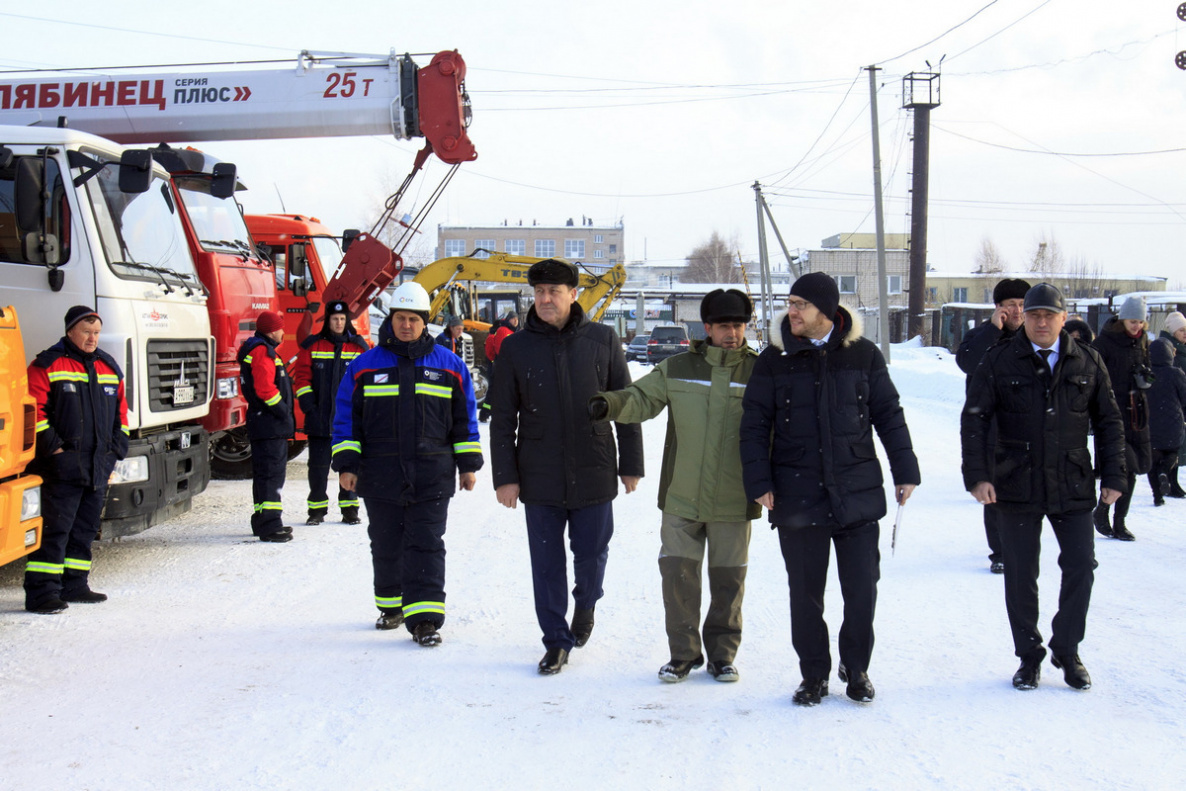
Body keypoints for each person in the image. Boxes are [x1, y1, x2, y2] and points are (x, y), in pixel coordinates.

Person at [739, 272, 920, 705]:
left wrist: (905, 469)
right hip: (797, 495)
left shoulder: (863, 356)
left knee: (862, 590)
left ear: (826, 309)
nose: (792, 311)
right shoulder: (774, 360)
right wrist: (759, 482)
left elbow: (888, 415)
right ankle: (814, 674)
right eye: (790, 303)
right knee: (805, 595)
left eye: (801, 303)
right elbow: (752, 426)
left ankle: (856, 668)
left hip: (856, 492)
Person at [961, 283, 1126, 691]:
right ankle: (1029, 655)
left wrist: (1116, 476)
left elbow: (1109, 422)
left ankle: (1067, 650)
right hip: (1015, 481)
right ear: (1024, 318)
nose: (1040, 321)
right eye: (1033, 314)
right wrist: (978, 476)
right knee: (1020, 574)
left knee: (1081, 567)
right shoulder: (1000, 359)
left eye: (1048, 315)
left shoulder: (1087, 361)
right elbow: (975, 419)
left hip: (1071, 481)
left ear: (1063, 317)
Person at [589, 289, 758, 684]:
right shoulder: (679, 367)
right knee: (678, 578)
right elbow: (641, 398)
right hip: (682, 496)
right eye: (723, 326)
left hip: (735, 498)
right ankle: (682, 655)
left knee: (728, 582)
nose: (732, 333)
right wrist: (608, 404)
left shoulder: (761, 372)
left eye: (738, 325)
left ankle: (722, 655)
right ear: (708, 328)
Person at [489, 258, 644, 675]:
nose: (545, 299)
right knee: (546, 563)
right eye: (539, 292)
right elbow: (503, 416)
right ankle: (556, 640)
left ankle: (587, 602)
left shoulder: (602, 340)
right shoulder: (515, 347)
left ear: (573, 295)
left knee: (592, 554)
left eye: (554, 292)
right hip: (538, 473)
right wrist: (505, 477)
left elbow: (626, 404)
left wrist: (631, 464)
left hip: (593, 466)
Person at [331, 282, 482, 644]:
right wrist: (347, 464)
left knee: (427, 542)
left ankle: (425, 619)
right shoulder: (364, 367)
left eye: (414, 319)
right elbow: (346, 419)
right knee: (385, 542)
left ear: (424, 321)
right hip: (379, 473)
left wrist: (468, 464)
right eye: (400, 318)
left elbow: (465, 419)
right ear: (392, 319)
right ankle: (391, 606)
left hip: (433, 473)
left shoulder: (450, 366)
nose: (406, 325)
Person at [23, 306, 129, 613]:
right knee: (54, 531)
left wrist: (115, 451)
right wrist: (55, 450)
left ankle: (75, 585)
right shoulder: (47, 364)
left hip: (97, 466)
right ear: (71, 331)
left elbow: (121, 414)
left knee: (83, 531)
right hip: (62, 467)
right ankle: (42, 594)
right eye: (86, 332)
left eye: (96, 333)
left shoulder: (108, 366)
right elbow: (33, 412)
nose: (92, 338)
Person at [955, 278, 1030, 574]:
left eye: (1023, 305)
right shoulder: (981, 336)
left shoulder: (1032, 337)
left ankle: (1021, 546)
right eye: (1011, 304)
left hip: (1024, 424)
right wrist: (992, 329)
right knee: (994, 491)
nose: (1017, 311)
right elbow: (968, 362)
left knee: (1025, 488)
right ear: (998, 307)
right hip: (990, 427)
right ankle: (999, 551)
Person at [293, 301, 370, 526]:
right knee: (317, 469)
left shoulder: (358, 348)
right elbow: (302, 379)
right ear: (327, 320)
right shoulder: (313, 346)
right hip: (320, 419)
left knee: (349, 467)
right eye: (335, 319)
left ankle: (350, 510)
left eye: (342, 319)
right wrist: (310, 408)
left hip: (347, 425)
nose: (338, 323)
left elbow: (366, 382)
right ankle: (316, 511)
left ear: (347, 321)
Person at [1091, 296, 1152, 541]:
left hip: (1138, 413)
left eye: (1140, 322)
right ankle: (1103, 511)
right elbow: (1094, 376)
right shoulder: (1105, 343)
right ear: (1122, 319)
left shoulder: (1143, 341)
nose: (1136, 326)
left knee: (1134, 468)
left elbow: (1148, 370)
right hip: (1112, 414)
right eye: (1132, 321)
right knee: (1119, 465)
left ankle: (1119, 520)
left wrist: (1146, 377)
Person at [238, 310, 296, 543]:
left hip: (262, 422)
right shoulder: (263, 352)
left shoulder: (256, 349)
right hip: (270, 424)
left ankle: (262, 519)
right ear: (272, 330)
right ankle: (271, 525)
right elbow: (265, 389)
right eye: (281, 327)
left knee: (263, 475)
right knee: (272, 475)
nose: (283, 332)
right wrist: (283, 411)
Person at [1146, 337, 1186, 506]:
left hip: (1151, 424)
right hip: (1173, 424)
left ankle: (1157, 496)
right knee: (1172, 453)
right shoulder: (1176, 373)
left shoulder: (1148, 374)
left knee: (1153, 461)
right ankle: (1165, 471)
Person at [1158, 311, 1186, 498]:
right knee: (1174, 444)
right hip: (1174, 402)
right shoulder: (1169, 350)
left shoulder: (1181, 348)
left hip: (1177, 401)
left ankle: (1170, 480)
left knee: (1177, 444)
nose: (1185, 333)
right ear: (1173, 331)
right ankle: (1169, 479)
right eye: (1182, 330)